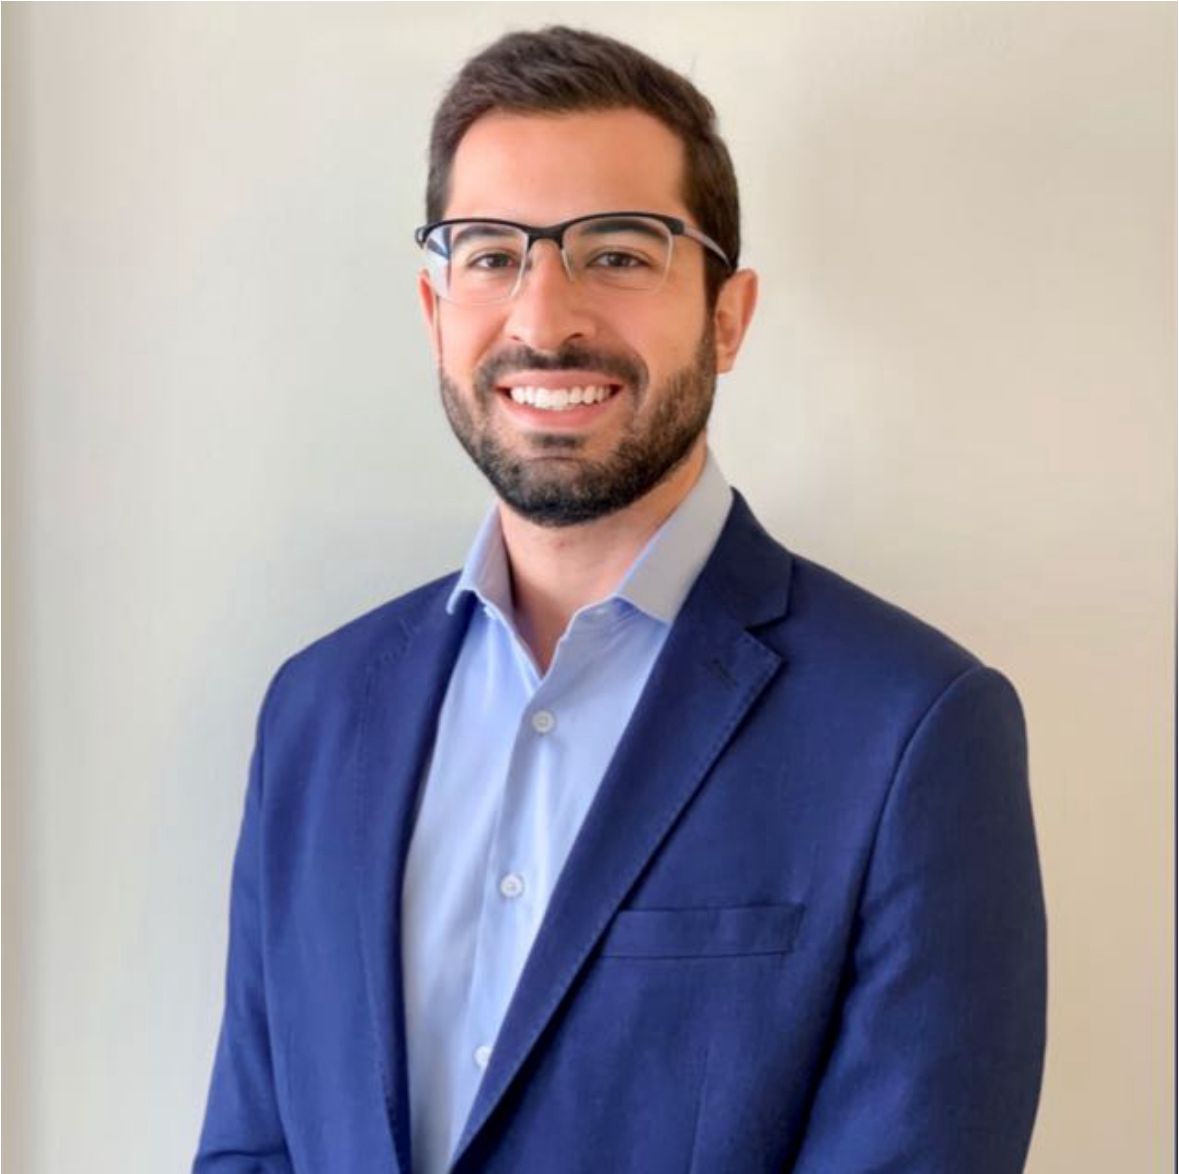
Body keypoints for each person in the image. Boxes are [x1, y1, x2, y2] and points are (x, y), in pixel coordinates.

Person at [194, 26, 1047, 1174]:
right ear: (435, 310)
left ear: (727, 316)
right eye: (490, 255)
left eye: (618, 253)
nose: (544, 319)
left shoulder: (913, 731)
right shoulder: (316, 712)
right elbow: (253, 1147)